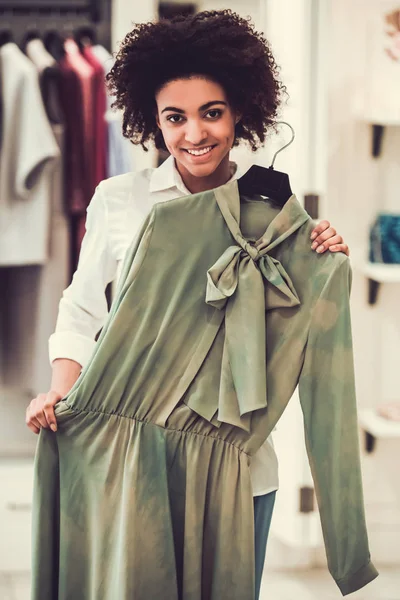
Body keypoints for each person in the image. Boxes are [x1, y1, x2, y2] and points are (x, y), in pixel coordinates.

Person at [26, 10, 350, 599]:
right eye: (175, 117)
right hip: (131, 456)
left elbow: (295, 332)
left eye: (212, 113)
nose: (194, 133)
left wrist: (322, 257)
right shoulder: (119, 201)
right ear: (154, 120)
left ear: (240, 113)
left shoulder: (274, 213)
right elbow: (80, 311)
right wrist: (60, 388)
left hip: (236, 469)